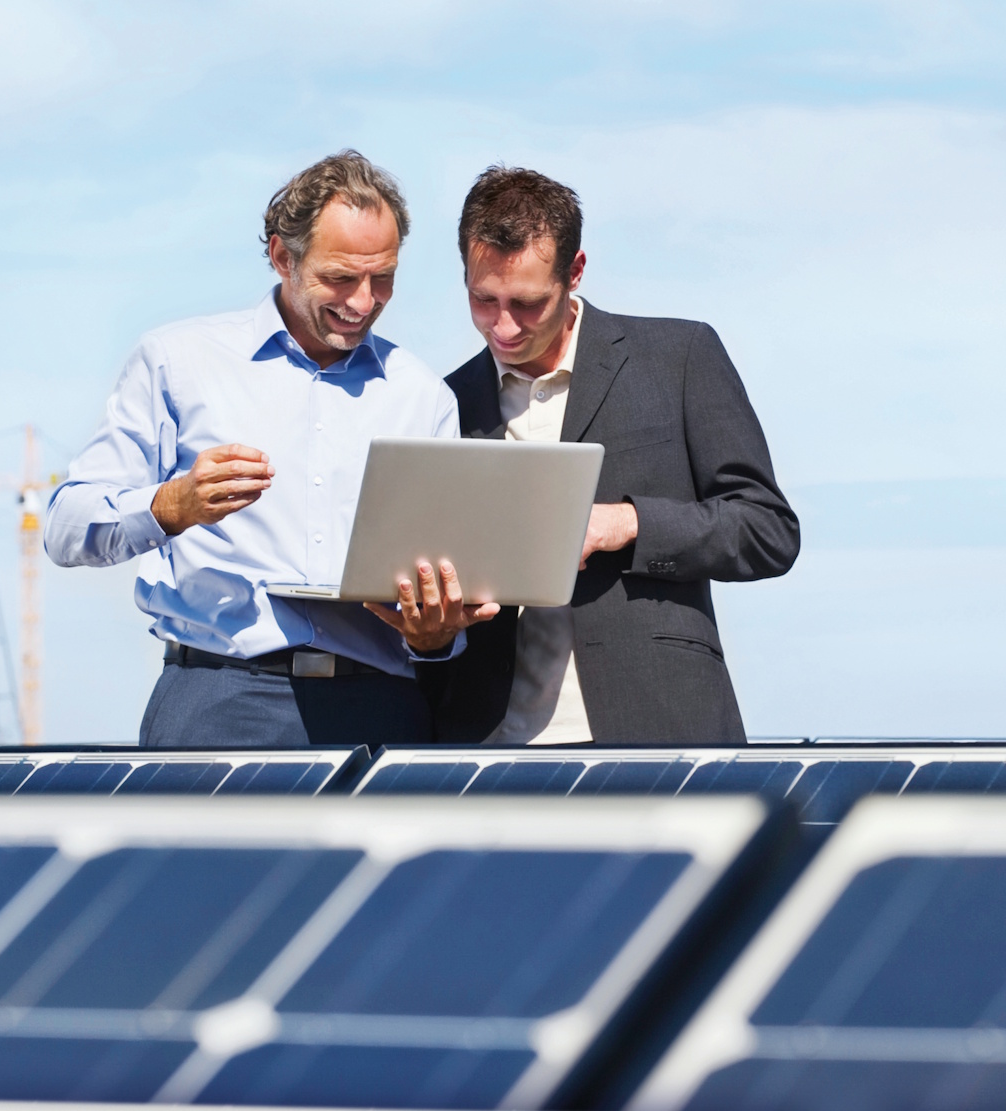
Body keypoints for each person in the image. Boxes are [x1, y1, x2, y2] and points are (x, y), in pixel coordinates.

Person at [45, 150, 495, 747]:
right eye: (341, 278)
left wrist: (434, 635)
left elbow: (440, 588)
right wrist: (172, 506)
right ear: (284, 257)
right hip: (217, 703)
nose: (364, 301)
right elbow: (65, 528)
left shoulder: (424, 396)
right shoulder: (177, 362)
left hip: (380, 709)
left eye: (382, 278)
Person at [417, 166, 799, 745]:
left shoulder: (679, 357)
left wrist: (625, 522)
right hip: (488, 744)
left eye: (527, 303)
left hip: (660, 727)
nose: (503, 326)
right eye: (483, 299)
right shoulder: (443, 402)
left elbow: (768, 530)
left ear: (574, 271)